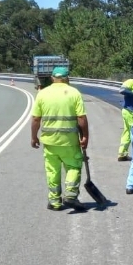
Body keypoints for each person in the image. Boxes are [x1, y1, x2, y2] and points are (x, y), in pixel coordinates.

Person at [30, 64, 88, 211]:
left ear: (52, 78)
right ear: (67, 78)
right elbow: (81, 118)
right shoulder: (74, 93)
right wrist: (85, 136)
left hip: (49, 142)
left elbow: (36, 119)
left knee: (52, 171)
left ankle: (55, 202)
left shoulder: (42, 94)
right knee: (73, 166)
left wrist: (34, 137)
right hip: (69, 141)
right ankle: (70, 196)